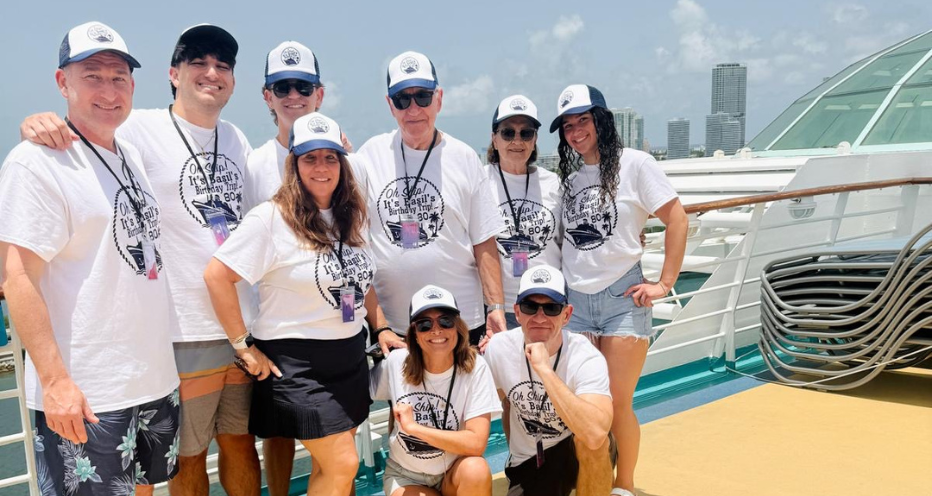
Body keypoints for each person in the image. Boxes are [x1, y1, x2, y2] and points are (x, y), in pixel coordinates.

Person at [19, 24, 260, 496]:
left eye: (222, 66)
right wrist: (38, 122)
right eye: (198, 63)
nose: (211, 73)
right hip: (168, 339)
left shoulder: (227, 140)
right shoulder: (133, 131)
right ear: (173, 74)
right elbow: (19, 272)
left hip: (216, 338)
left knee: (236, 444)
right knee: (186, 461)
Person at [0, 22, 179, 496]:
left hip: (152, 378)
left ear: (133, 86)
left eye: (118, 77)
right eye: (92, 76)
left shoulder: (130, 155)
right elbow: (17, 276)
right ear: (63, 83)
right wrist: (55, 382)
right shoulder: (35, 162)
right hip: (89, 392)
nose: (108, 90)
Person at [204, 112, 383, 496]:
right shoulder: (271, 218)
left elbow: (361, 281)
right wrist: (242, 346)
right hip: (297, 366)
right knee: (344, 463)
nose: (321, 167)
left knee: (332, 471)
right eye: (310, 158)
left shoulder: (350, 216)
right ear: (294, 164)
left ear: (342, 163)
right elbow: (217, 275)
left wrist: (381, 327)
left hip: (349, 358)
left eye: (330, 157)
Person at [550, 84, 688, 496]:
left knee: (617, 403)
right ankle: (590, 482)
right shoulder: (571, 180)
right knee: (584, 408)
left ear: (602, 120)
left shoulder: (636, 164)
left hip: (621, 299)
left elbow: (676, 219)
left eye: (583, 121)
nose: (576, 132)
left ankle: (623, 485)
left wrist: (665, 283)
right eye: (568, 126)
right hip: (575, 303)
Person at [355, 51, 507, 348]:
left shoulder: (463, 156)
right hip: (398, 328)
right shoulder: (369, 155)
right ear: (390, 105)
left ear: (439, 98)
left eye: (422, 96)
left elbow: (484, 241)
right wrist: (379, 324)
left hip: (462, 322)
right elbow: (355, 244)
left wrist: (496, 307)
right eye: (402, 99)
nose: (413, 108)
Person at [485, 264, 613, 496]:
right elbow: (496, 403)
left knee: (594, 444)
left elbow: (595, 433)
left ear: (566, 315)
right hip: (531, 460)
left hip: (573, 448)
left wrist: (544, 370)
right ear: (517, 312)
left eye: (551, 308)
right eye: (530, 306)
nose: (540, 317)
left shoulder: (585, 356)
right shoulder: (498, 348)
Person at [370, 285, 500, 496]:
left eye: (445, 321)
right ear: (414, 332)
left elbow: (476, 444)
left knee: (476, 469)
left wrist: (414, 428)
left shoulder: (475, 367)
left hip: (453, 470)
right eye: (424, 324)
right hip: (406, 475)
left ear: (457, 326)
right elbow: (357, 391)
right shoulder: (395, 362)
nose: (436, 330)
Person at [484, 95, 562, 331]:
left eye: (525, 133)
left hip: (549, 305)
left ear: (534, 139)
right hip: (501, 309)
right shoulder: (479, 182)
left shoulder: (553, 183)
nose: (516, 140)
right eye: (508, 132)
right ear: (494, 139)